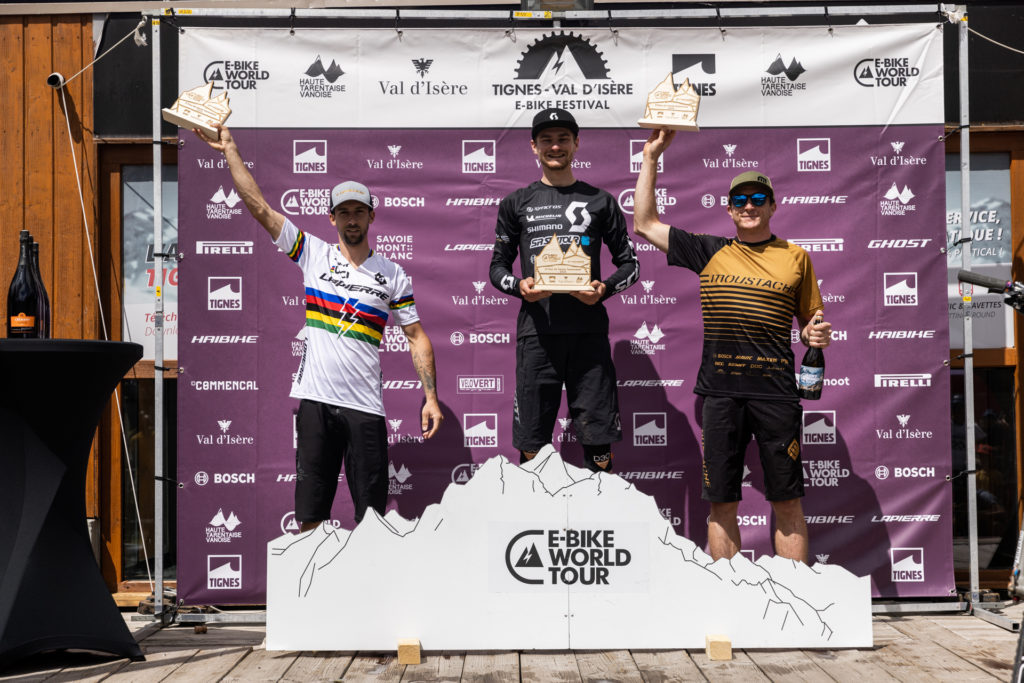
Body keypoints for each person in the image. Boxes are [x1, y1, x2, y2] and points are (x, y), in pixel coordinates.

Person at [196, 125, 442, 530]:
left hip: (366, 407)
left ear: (371, 216)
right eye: (343, 212)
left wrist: (430, 397)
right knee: (310, 517)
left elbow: (416, 337)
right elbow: (261, 209)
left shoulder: (393, 273)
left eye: (358, 211)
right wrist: (230, 150)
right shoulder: (314, 253)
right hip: (317, 403)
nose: (351, 219)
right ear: (331, 218)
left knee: (372, 523)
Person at [632, 128, 831, 563]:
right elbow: (644, 224)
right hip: (720, 394)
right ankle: (727, 596)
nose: (749, 206)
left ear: (773, 206)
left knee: (787, 501)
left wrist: (816, 335)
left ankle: (794, 601)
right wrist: (650, 157)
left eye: (758, 199)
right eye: (740, 199)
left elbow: (810, 325)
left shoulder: (796, 257)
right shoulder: (710, 251)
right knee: (722, 503)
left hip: (776, 394)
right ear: (729, 209)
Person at [489, 108, 639, 472]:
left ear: (576, 144)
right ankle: (531, 508)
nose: (555, 146)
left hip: (588, 335)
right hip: (537, 336)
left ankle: (599, 501)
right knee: (531, 444)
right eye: (546, 140)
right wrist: (519, 286)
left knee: (598, 443)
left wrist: (603, 289)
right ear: (534, 146)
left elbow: (631, 265)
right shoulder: (516, 203)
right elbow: (496, 269)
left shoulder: (601, 200)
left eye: (563, 139)